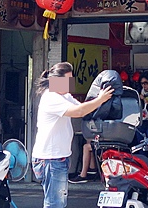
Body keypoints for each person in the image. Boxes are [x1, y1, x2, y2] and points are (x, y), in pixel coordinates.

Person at [31, 62, 114, 208]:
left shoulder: (64, 96)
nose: (70, 83)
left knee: (58, 202)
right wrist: (101, 99)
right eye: (68, 80)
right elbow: (79, 112)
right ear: (57, 80)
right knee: (55, 203)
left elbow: (83, 108)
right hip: (51, 159)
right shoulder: (51, 97)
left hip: (58, 158)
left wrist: (99, 100)